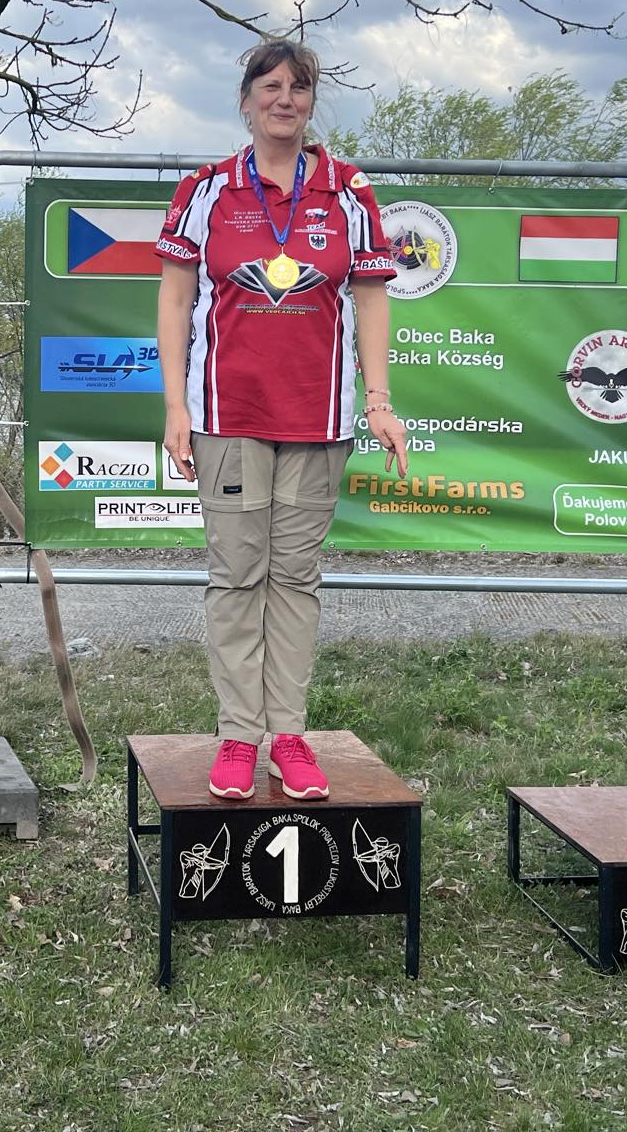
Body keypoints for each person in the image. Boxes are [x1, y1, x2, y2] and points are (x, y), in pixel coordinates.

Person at [156, 39, 410, 801]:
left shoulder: (348, 192)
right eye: (269, 87)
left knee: (295, 580)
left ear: (311, 103)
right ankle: (239, 736)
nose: (284, 99)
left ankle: (289, 737)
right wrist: (175, 406)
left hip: (318, 420)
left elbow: (371, 298)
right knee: (238, 577)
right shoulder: (205, 190)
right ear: (245, 101)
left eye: (298, 88)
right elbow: (174, 299)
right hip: (228, 416)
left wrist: (379, 400)